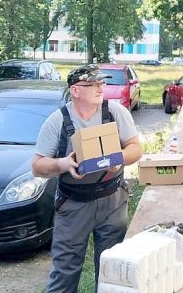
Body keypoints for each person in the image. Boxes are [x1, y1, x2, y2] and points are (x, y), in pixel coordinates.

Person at [33, 64, 142, 293]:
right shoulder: (57, 121)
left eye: (102, 83)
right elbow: (37, 166)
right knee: (65, 272)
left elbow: (135, 148)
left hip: (113, 199)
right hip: (73, 205)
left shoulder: (114, 112)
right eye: (92, 84)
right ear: (75, 90)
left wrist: (117, 158)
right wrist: (63, 164)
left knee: (112, 271)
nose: (100, 87)